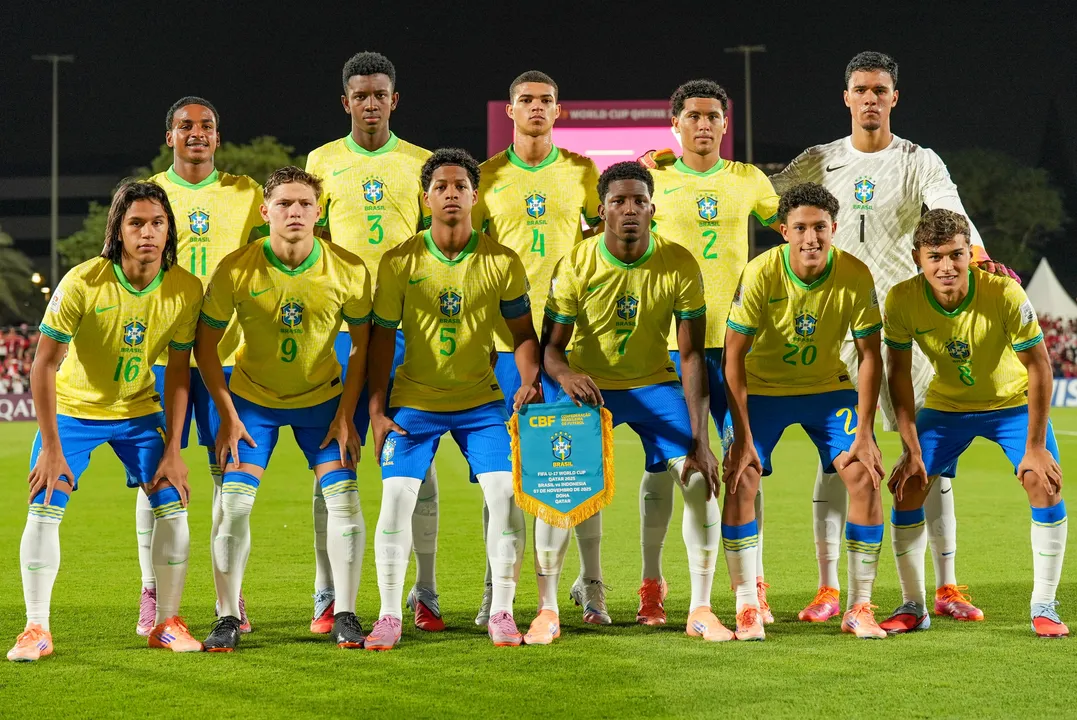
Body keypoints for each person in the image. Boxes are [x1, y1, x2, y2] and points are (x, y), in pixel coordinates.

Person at [771, 51, 1016, 622]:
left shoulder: (917, 159)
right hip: (838, 325)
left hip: (909, 326)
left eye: (881, 90)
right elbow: (766, 198)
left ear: (894, 98)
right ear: (847, 97)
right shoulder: (821, 160)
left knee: (927, 457)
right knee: (837, 459)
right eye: (861, 89)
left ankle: (947, 586)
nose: (871, 98)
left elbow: (949, 212)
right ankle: (829, 588)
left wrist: (977, 256)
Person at [8, 181, 205, 661]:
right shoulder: (83, 281)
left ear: (169, 230)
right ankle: (36, 628)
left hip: (140, 411)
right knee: (43, 503)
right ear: (117, 230)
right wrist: (52, 448)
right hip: (75, 411)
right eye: (136, 222)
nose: (148, 232)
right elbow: (43, 365)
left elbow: (179, 374)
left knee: (173, 506)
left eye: (157, 223)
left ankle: (167, 623)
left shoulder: (185, 289)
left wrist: (175, 450)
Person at [536, 161, 725, 644]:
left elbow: (690, 356)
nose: (629, 210)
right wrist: (569, 374)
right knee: (561, 485)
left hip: (653, 386)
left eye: (639, 201)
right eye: (618, 201)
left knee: (701, 479)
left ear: (652, 209)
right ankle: (554, 606)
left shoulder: (679, 262)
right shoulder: (577, 263)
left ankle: (700, 607)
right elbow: (550, 351)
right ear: (601, 211)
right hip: (590, 387)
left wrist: (701, 440)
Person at [363, 149, 539, 650]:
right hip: (414, 402)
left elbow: (523, 334)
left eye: (460, 186)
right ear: (425, 198)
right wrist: (377, 411)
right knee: (397, 499)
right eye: (440, 187)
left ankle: (503, 611)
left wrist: (528, 379)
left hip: (481, 403)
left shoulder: (501, 260)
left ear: (475, 196)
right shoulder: (399, 261)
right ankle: (389, 615)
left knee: (506, 498)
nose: (451, 194)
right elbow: (379, 342)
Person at [196, 167, 371, 652]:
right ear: (264, 211)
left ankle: (346, 613)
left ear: (320, 211)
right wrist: (228, 413)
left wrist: (345, 414)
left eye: (304, 204)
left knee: (345, 504)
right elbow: (205, 348)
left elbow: (362, 348)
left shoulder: (349, 268)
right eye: (284, 204)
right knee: (232, 504)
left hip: (323, 403)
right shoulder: (235, 268)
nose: (294, 212)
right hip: (253, 404)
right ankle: (227, 616)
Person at [881, 209, 1067, 638]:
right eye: (935, 257)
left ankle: (1044, 605)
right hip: (947, 406)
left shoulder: (1004, 293)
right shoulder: (901, 299)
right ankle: (913, 606)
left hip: (1012, 403)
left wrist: (1035, 446)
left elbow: (1040, 367)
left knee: (1044, 480)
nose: (946, 266)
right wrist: (911, 448)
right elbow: (898, 377)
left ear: (970, 253)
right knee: (908, 486)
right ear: (917, 258)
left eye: (955, 255)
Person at [304, 52, 437, 634]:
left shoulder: (421, 162)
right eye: (360, 95)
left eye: (380, 93)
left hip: (410, 333)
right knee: (333, 459)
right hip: (340, 333)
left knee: (416, 461)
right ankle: (326, 592)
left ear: (394, 99)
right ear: (345, 101)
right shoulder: (321, 162)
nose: (370, 103)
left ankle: (425, 590)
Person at [641, 79, 780, 624]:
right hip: (668, 349)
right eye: (693, 116)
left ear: (726, 124)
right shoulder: (654, 179)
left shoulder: (748, 181)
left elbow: (796, 227)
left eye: (713, 116)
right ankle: (653, 584)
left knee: (745, 464)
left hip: (737, 349)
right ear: (674, 124)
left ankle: (754, 583)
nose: (704, 124)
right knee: (664, 470)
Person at [723, 182, 887, 641]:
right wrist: (741, 435)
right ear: (783, 231)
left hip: (827, 389)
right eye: (800, 228)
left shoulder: (855, 275)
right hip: (763, 390)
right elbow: (732, 356)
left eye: (820, 227)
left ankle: (859, 606)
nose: (810, 237)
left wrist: (868, 433)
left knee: (864, 474)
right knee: (742, 476)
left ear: (834, 229)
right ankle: (748, 605)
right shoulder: (760, 273)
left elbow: (870, 355)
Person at [469, 70, 604, 627]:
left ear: (558, 110)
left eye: (546, 101)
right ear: (509, 110)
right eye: (526, 101)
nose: (537, 108)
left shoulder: (581, 170)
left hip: (568, 341)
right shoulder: (486, 176)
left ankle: (588, 582)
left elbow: (606, 235)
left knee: (572, 467)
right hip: (504, 343)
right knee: (501, 477)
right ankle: (493, 587)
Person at [135, 96, 267, 637]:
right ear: (169, 136)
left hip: (228, 359)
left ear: (218, 136)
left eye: (207, 126)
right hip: (161, 359)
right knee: (154, 479)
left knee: (225, 482)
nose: (196, 133)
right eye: (185, 126)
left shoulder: (246, 193)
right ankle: (151, 591)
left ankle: (227, 600)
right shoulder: (149, 193)